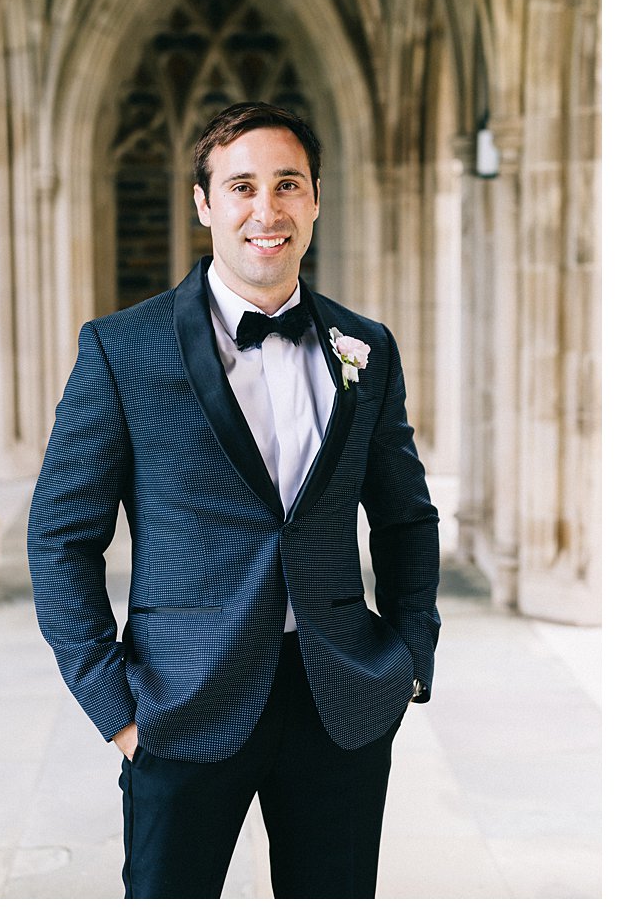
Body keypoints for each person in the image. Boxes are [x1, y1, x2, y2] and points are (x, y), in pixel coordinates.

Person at [28, 102, 440, 899]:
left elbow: (404, 515)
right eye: (242, 185)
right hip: (181, 702)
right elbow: (60, 538)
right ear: (204, 203)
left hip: (340, 703)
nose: (267, 209)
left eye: (287, 185)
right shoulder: (121, 348)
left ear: (316, 198)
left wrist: (411, 656)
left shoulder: (367, 347)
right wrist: (116, 708)